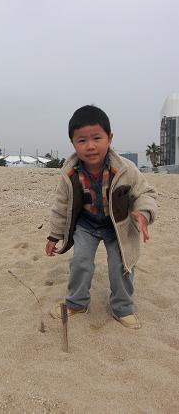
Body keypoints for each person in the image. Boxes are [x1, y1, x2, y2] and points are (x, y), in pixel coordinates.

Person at [45, 105, 157, 329]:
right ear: (73, 143)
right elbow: (61, 206)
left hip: (118, 225)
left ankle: (123, 308)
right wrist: (54, 235)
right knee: (80, 262)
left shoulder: (126, 169)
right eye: (82, 140)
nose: (90, 146)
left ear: (110, 138)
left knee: (121, 264)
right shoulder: (69, 173)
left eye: (97, 138)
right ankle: (76, 303)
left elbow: (145, 193)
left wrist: (143, 214)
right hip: (86, 224)